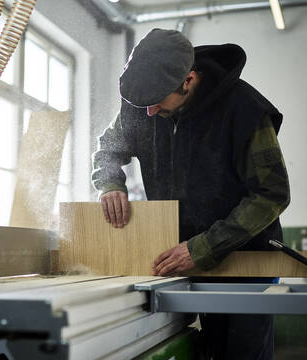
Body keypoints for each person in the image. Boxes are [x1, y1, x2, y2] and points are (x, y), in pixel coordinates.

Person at [91, 28, 291, 359]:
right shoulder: (142, 104)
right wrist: (110, 184)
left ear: (189, 79)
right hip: (180, 262)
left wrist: (203, 247)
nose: (150, 112)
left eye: (157, 101)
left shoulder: (244, 109)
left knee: (242, 352)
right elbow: (108, 149)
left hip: (245, 260)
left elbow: (272, 194)